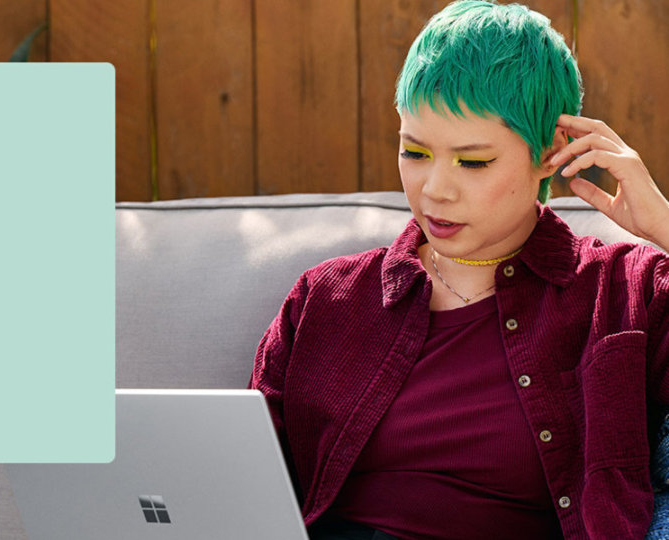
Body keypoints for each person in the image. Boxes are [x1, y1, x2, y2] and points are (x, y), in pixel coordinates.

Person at [249, 1, 669, 539]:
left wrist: (662, 227)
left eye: (472, 162)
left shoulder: (625, 289)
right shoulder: (326, 298)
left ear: (551, 152)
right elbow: (240, 481)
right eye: (414, 152)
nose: (434, 190)